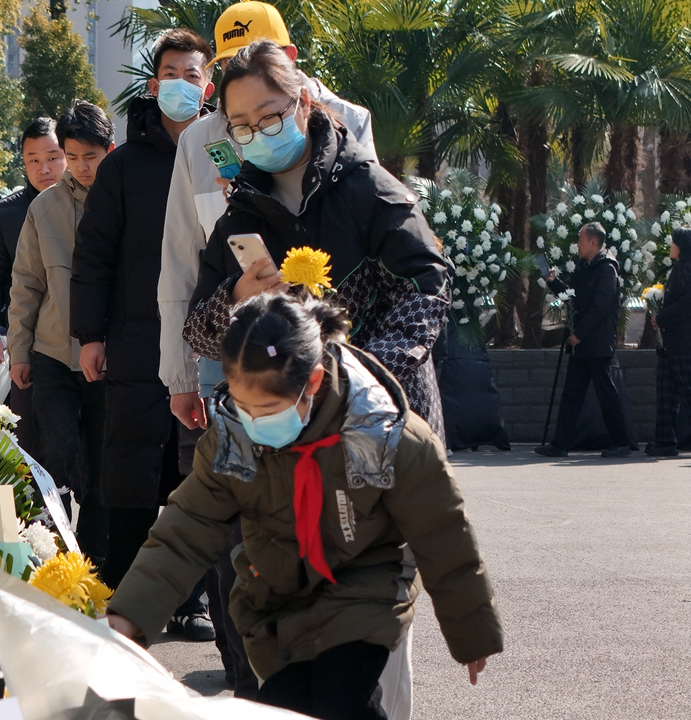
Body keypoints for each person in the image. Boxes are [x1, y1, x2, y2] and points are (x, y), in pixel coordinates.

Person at [106, 293, 503, 719]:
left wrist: (471, 630)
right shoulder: (232, 438)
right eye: (245, 407)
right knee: (285, 708)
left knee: (343, 702)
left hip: (363, 587)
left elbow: (441, 530)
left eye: (269, 409)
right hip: (276, 596)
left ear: (312, 383)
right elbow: (185, 532)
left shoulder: (382, 432)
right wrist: (128, 620)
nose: (255, 421)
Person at [182, 41, 448, 440]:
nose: (257, 133)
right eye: (242, 126)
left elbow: (426, 289)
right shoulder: (240, 214)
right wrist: (235, 295)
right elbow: (199, 331)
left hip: (382, 420)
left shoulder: (370, 190)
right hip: (284, 432)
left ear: (303, 102)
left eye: (269, 117)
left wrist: (357, 375)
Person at [160, 0, 375, 434]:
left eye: (261, 57)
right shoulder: (198, 140)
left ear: (289, 59)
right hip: (228, 354)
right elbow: (181, 261)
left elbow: (373, 244)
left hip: (325, 346)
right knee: (235, 482)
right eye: (228, 65)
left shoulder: (348, 120)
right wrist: (179, 378)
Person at [70, 28, 217, 639]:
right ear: (153, 85)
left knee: (199, 472)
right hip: (134, 337)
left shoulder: (224, 153)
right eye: (171, 74)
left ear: (207, 86)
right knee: (131, 470)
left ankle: (195, 600)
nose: (182, 84)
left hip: (205, 334)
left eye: (193, 74)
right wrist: (89, 334)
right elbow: (94, 252)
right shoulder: (124, 165)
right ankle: (128, 598)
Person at [8, 101, 114, 566]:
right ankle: (53, 552)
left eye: (91, 156)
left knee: (98, 463)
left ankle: (91, 561)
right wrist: (20, 351)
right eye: (73, 157)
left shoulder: (123, 198)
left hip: (109, 356)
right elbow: (26, 284)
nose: (82, 167)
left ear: (109, 150)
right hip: (52, 353)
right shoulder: (44, 207)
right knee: (57, 453)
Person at [0, 118, 68, 454]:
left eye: (53, 157)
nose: (44, 168)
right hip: (29, 344)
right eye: (33, 159)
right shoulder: (5, 214)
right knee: (34, 441)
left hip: (81, 340)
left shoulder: (93, 202)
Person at [536, 222, 631, 458]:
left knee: (606, 394)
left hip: (596, 343)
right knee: (572, 394)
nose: (577, 243)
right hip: (580, 343)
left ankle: (622, 443)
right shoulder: (583, 266)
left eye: (580, 238)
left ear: (593, 242)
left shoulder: (607, 268)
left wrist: (580, 333)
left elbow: (601, 307)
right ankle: (560, 444)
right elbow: (573, 297)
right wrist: (552, 281)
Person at [648, 229, 691, 456]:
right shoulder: (677, 269)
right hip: (669, 343)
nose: (670, 246)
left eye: (673, 243)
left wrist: (661, 317)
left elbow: (686, 304)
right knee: (665, 393)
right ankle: (665, 441)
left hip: (684, 344)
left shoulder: (688, 270)